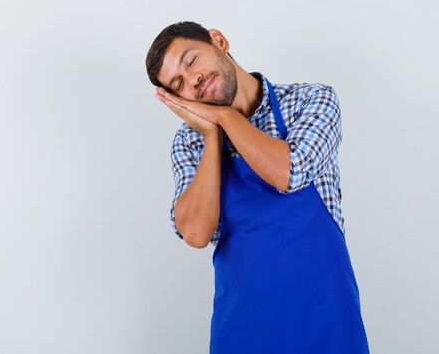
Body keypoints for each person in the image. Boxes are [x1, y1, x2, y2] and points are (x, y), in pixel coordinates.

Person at [146, 21, 370, 354]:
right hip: (242, 333)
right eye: (178, 84)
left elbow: (288, 173)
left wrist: (225, 118)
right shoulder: (189, 142)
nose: (192, 80)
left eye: (191, 61)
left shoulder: (309, 100)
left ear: (219, 41)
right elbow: (195, 232)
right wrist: (211, 136)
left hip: (327, 326)